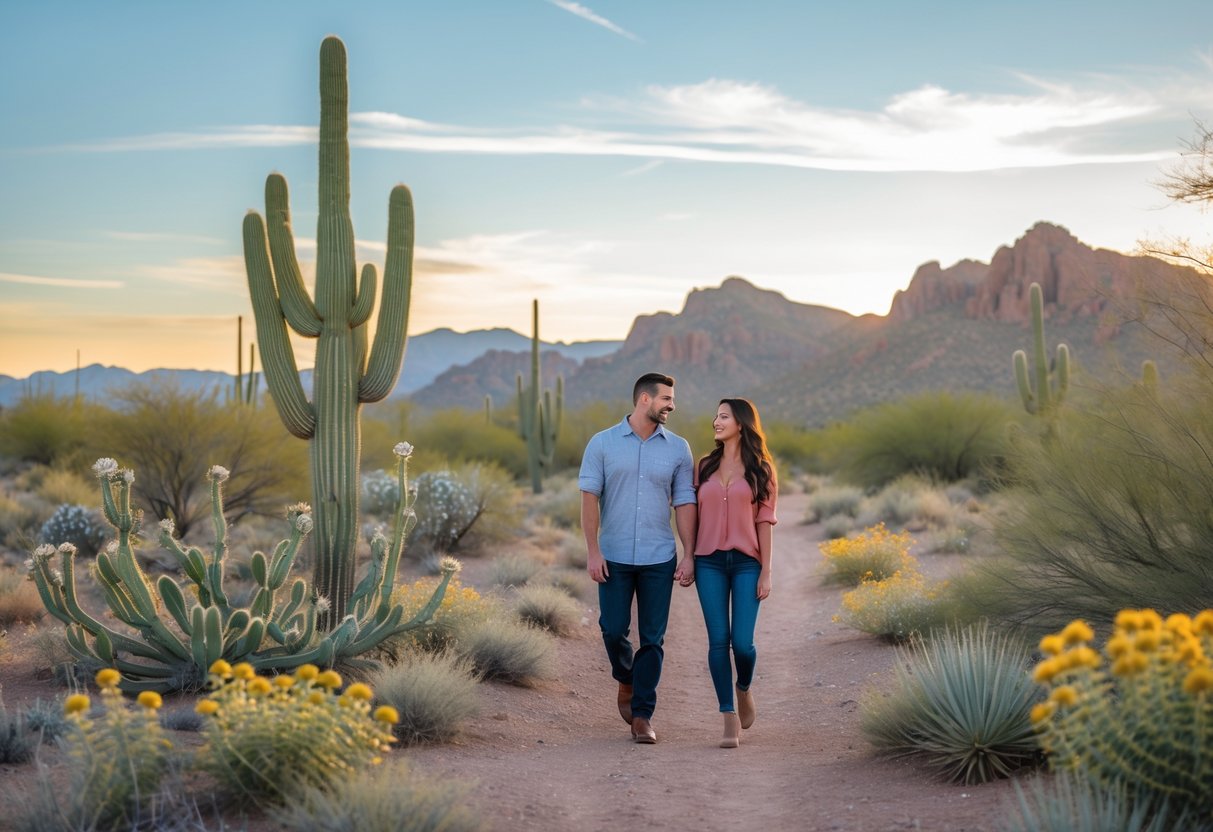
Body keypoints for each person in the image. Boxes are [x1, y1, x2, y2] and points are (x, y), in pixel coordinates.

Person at [580, 372, 697, 744]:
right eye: (666, 398)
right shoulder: (602, 444)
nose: (671, 405)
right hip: (612, 555)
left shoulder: (679, 449)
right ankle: (626, 677)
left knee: (653, 638)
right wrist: (593, 551)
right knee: (612, 629)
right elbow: (588, 500)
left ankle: (643, 716)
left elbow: (685, 504)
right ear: (644, 399)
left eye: (672, 399)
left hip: (658, 557)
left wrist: (688, 554)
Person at [691, 397, 777, 748]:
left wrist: (766, 571)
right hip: (708, 561)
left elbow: (765, 522)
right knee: (717, 642)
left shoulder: (762, 470)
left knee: (742, 644)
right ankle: (728, 717)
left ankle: (743, 688)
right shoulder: (704, 466)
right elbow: (691, 514)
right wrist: (687, 556)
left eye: (723, 416)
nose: (716, 421)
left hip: (746, 563)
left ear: (741, 423)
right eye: (715, 415)